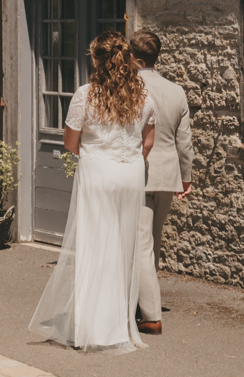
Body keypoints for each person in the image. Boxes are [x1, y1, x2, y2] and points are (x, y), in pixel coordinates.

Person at [29, 31, 156, 353]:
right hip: (130, 173)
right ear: (127, 59)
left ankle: (92, 328)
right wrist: (127, 158)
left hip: (99, 171)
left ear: (96, 59)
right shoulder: (143, 95)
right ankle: (117, 326)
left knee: (95, 245)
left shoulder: (86, 95)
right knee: (122, 248)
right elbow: (148, 142)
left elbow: (70, 143)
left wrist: (99, 153)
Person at [129, 30, 193, 335]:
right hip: (168, 175)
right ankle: (145, 303)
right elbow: (185, 141)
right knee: (152, 242)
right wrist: (186, 177)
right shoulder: (176, 90)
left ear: (133, 57)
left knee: (141, 244)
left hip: (139, 171)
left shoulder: (131, 87)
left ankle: (151, 315)